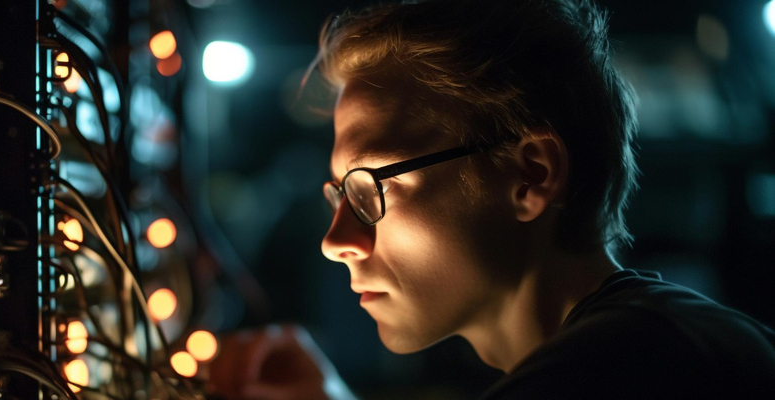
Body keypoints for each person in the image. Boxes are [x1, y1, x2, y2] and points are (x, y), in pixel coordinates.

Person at [208, 0, 775, 398]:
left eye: (372, 187)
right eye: (340, 193)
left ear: (530, 176)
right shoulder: (651, 347)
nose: (336, 242)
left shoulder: (625, 368)